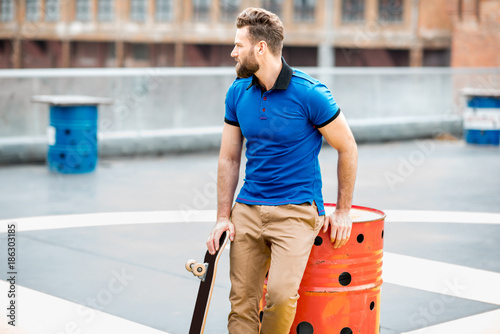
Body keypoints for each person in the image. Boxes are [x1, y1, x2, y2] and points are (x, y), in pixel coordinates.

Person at [206, 7, 358, 334]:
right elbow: (229, 157)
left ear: (260, 48)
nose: (233, 53)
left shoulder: (310, 93)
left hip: (296, 210)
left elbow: (347, 147)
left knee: (279, 296)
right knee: (241, 300)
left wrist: (343, 210)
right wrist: (223, 216)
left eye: (238, 45)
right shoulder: (237, 92)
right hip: (247, 208)